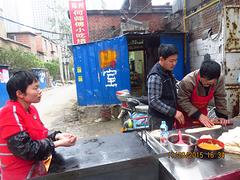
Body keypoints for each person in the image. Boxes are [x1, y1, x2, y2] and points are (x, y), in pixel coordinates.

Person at [0, 70, 77, 180]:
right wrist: (58, 143)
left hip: (36, 170)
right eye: (35, 88)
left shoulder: (31, 109)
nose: (40, 91)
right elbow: (26, 149)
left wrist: (57, 136)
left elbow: (39, 134)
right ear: (20, 94)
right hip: (20, 174)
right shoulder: (10, 112)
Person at [177, 55, 228, 128]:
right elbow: (182, 100)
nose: (206, 85)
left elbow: (220, 97)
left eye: (209, 84)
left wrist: (222, 115)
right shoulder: (188, 81)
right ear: (200, 74)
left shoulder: (219, 79)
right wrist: (198, 115)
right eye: (204, 82)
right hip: (186, 113)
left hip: (202, 111)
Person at [147, 44, 184, 130]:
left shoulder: (167, 71)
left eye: (176, 60)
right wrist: (174, 112)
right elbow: (153, 101)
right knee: (160, 141)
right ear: (161, 59)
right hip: (158, 119)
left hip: (167, 117)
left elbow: (175, 84)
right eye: (171, 61)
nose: (174, 63)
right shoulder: (156, 76)